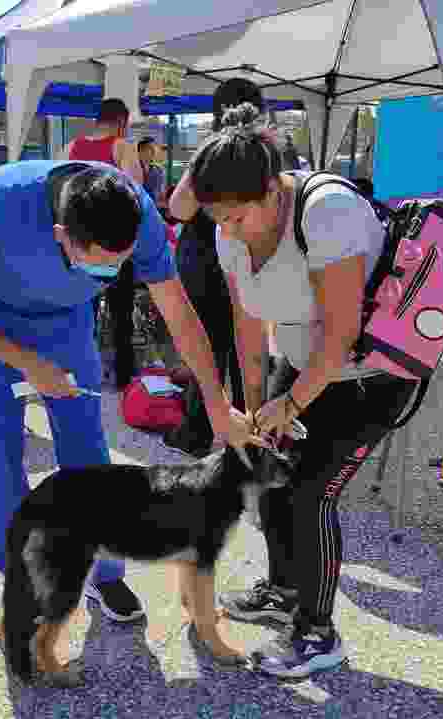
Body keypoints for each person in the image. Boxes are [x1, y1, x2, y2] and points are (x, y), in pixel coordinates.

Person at [0, 160, 265, 622]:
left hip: (67, 322)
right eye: (100, 263)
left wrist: (216, 403)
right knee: (2, 454)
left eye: (119, 263)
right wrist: (27, 363)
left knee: (88, 451)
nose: (111, 272)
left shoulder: (139, 213)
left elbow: (179, 314)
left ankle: (104, 576)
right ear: (60, 233)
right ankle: (21, 584)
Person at [173, 103, 419, 678]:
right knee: (271, 480)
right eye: (217, 220)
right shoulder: (228, 226)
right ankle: (284, 591)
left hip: (368, 375)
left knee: (311, 492)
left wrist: (290, 404)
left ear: (271, 192)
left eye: (236, 218)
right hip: (305, 363)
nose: (225, 232)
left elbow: (340, 338)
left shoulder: (326, 211)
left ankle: (319, 634)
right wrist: (257, 406)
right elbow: (247, 325)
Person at [164, 77, 269, 458]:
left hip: (205, 260)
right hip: (254, 256)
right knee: (249, 344)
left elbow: (179, 209)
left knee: (206, 347)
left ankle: (195, 431)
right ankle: (253, 430)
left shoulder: (214, 150)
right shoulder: (271, 149)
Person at [63, 98, 144, 389]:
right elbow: (136, 190)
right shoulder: (122, 147)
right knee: (121, 315)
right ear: (121, 122)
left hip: (80, 245)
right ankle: (123, 379)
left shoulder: (71, 147)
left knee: (82, 312)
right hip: (116, 246)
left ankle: (80, 373)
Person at [138, 137, 166, 204]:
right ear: (141, 150)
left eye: (154, 148)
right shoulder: (133, 168)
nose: (154, 151)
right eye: (150, 148)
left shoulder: (159, 170)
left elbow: (161, 193)